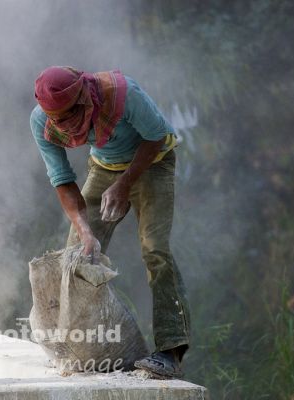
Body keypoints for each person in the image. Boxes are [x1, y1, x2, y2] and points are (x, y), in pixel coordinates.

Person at [30, 66, 191, 378]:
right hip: (105, 167)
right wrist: (86, 231)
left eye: (70, 117)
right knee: (76, 255)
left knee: (155, 250)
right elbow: (62, 180)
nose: (64, 126)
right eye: (57, 121)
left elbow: (157, 137)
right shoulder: (40, 122)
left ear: (84, 101)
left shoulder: (121, 93)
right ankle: (80, 347)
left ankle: (171, 351)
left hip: (152, 163)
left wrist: (125, 184)